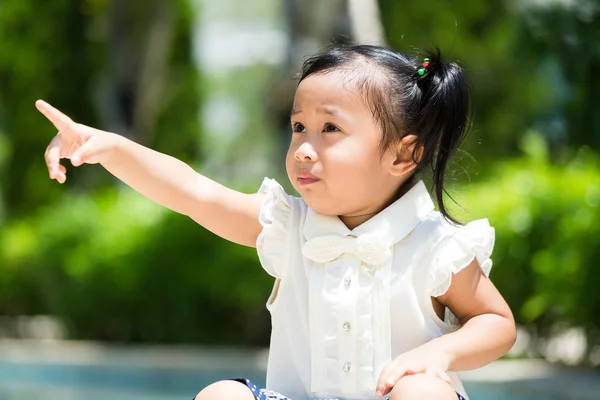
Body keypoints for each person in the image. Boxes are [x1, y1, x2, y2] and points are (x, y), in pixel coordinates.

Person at [38, 44, 516, 400]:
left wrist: (438, 356)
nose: (304, 147)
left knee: (422, 393)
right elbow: (195, 193)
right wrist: (112, 148)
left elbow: (495, 321)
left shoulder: (435, 245)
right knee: (221, 396)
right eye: (298, 127)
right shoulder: (289, 225)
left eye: (330, 129)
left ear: (402, 154)